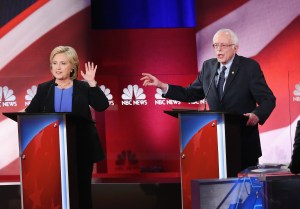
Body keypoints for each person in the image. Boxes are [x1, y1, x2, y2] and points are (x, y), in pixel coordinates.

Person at [141, 28, 276, 173]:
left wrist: (256, 115)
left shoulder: (249, 67)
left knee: (243, 192)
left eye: (223, 45)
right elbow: (190, 94)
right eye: (215, 45)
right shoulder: (208, 67)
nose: (218, 49)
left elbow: (268, 99)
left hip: (243, 143)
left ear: (235, 48)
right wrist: (162, 86)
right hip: (215, 145)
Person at [25, 46, 109, 209]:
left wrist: (92, 83)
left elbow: (101, 106)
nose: (57, 67)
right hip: (52, 150)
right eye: (54, 63)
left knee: (81, 192)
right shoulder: (44, 89)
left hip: (81, 148)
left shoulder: (83, 88)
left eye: (63, 63)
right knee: (54, 193)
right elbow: (30, 114)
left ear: (72, 67)